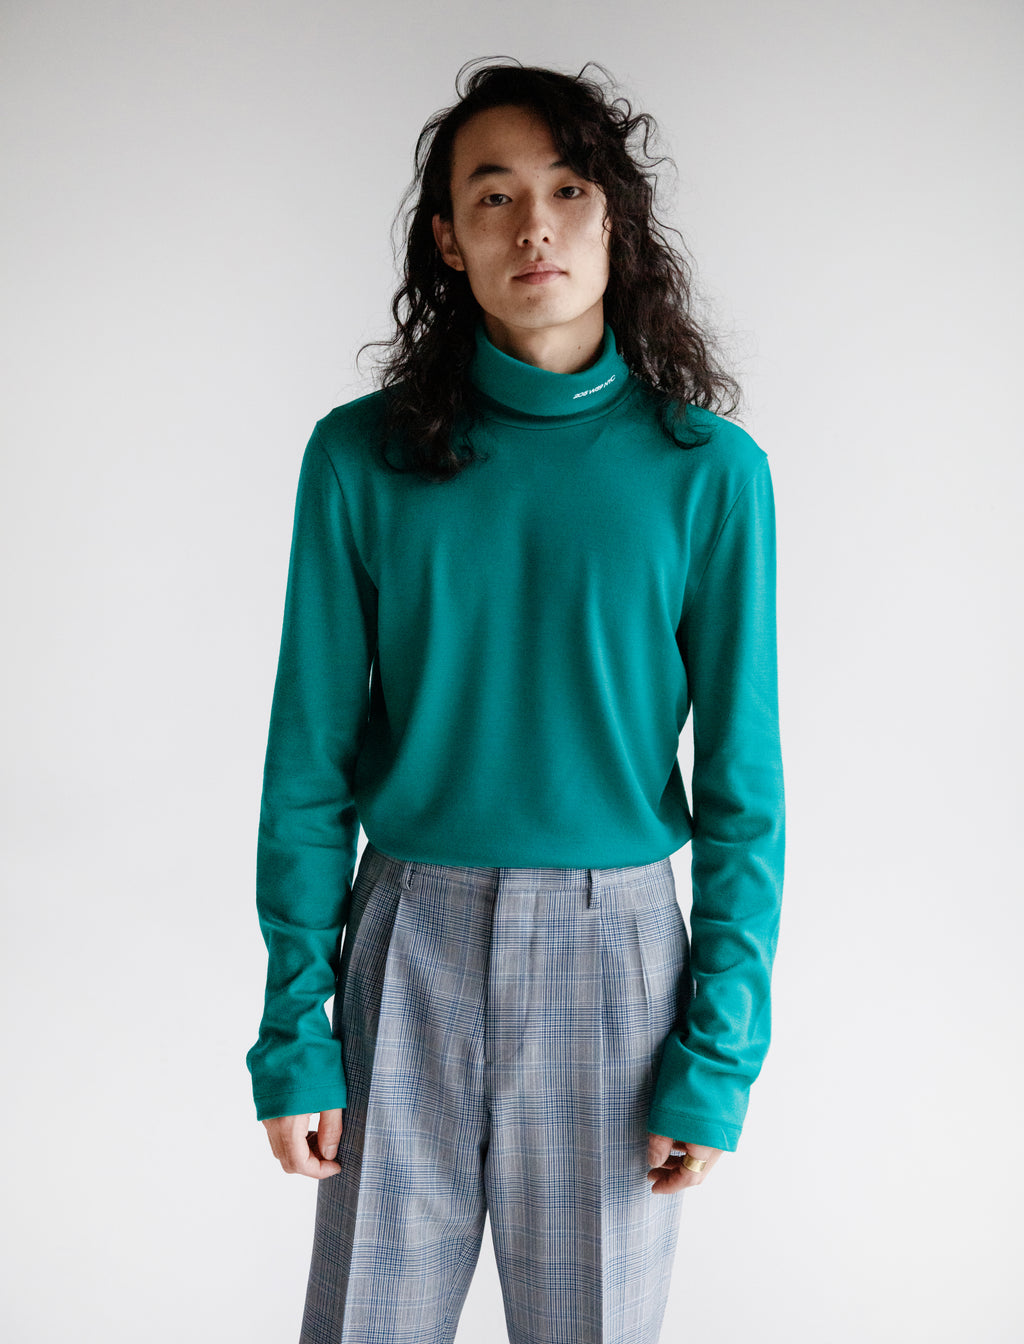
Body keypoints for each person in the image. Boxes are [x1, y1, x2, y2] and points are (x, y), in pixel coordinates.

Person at [246, 57, 785, 1344]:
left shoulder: (707, 474)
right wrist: (293, 1030)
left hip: (618, 962)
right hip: (405, 945)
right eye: (492, 196)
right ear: (448, 238)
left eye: (568, 189)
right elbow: (309, 760)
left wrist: (717, 1056)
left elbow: (742, 785)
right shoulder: (359, 458)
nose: (533, 225)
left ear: (614, 221)